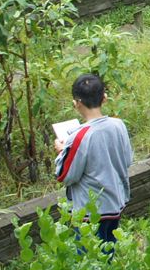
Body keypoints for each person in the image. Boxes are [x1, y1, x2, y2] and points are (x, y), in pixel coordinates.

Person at [54, 73, 133, 244]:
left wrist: (62, 151)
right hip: (115, 204)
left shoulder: (79, 137)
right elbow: (127, 160)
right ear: (104, 98)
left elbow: (65, 175)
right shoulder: (118, 125)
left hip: (90, 212)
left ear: (77, 103)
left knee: (91, 261)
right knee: (107, 252)